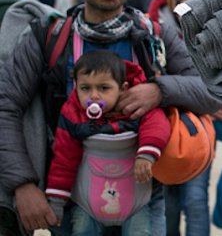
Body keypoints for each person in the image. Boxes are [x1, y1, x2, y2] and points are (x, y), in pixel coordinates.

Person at [0, 0, 222, 235]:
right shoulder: (48, 37)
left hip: (144, 200)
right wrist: (23, 185)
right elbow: (6, 105)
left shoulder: (155, 36)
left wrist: (159, 90)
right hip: (70, 201)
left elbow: (211, 90)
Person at [46, 50, 170, 235]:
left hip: (137, 203)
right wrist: (56, 201)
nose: (94, 96)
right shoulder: (72, 114)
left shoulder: (138, 108)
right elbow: (63, 160)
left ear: (123, 88)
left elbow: (157, 125)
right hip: (87, 204)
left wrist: (146, 154)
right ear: (76, 87)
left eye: (104, 88)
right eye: (85, 88)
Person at [147, 0, 217, 236]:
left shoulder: (214, 30)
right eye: (191, 1)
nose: (196, 8)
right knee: (169, 203)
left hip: (198, 130)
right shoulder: (153, 31)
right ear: (175, 0)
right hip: (162, 130)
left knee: (196, 201)